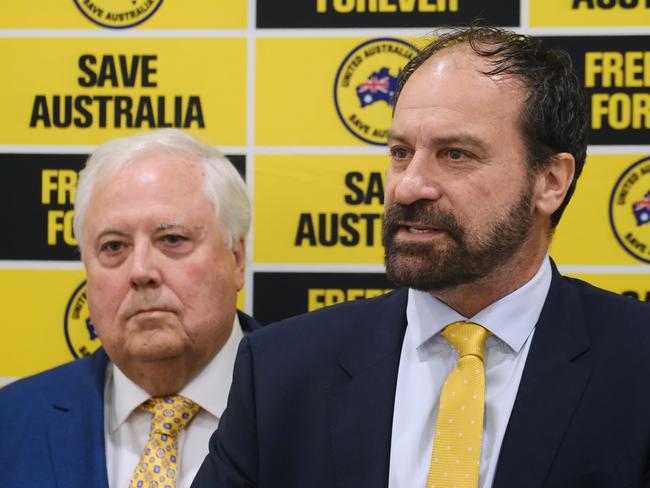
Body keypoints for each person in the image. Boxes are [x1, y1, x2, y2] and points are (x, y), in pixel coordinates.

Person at [192, 26, 650, 488]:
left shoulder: (637, 364)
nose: (408, 186)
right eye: (400, 152)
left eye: (455, 154)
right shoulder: (281, 371)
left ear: (550, 181)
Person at [0, 129, 260, 488]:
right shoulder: (10, 423)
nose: (140, 271)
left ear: (236, 258)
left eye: (172, 240)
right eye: (113, 246)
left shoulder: (319, 410)